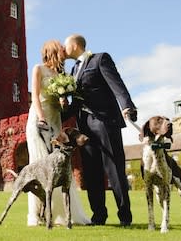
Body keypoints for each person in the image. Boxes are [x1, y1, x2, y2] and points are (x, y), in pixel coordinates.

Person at [63, 34, 137, 227]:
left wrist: (127, 105)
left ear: (75, 45)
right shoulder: (73, 70)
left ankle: (125, 216)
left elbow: (117, 85)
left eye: (65, 45)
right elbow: (76, 103)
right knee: (92, 172)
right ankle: (99, 217)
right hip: (85, 127)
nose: (63, 49)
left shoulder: (100, 59)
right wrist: (54, 118)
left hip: (105, 122)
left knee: (114, 170)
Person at [25, 39, 90, 226]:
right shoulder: (38, 69)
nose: (64, 51)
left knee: (60, 166)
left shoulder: (61, 74)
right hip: (39, 120)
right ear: (52, 51)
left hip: (56, 121)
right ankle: (36, 215)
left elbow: (62, 104)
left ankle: (64, 214)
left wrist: (64, 101)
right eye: (61, 49)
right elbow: (35, 96)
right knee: (39, 165)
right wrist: (40, 117)